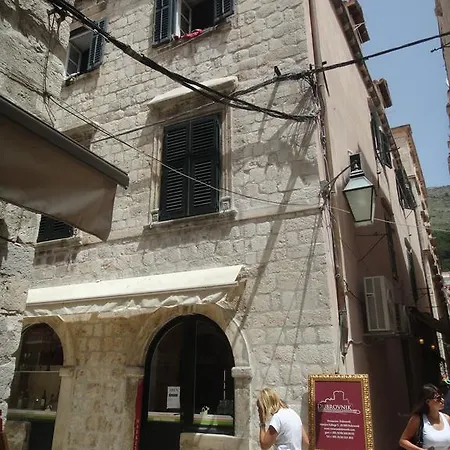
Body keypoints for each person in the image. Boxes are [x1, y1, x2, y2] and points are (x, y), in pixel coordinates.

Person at [399, 383, 450, 450]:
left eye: (442, 397)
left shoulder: (447, 418)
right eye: (438, 398)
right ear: (428, 402)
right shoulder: (418, 419)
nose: (442, 400)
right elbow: (403, 441)